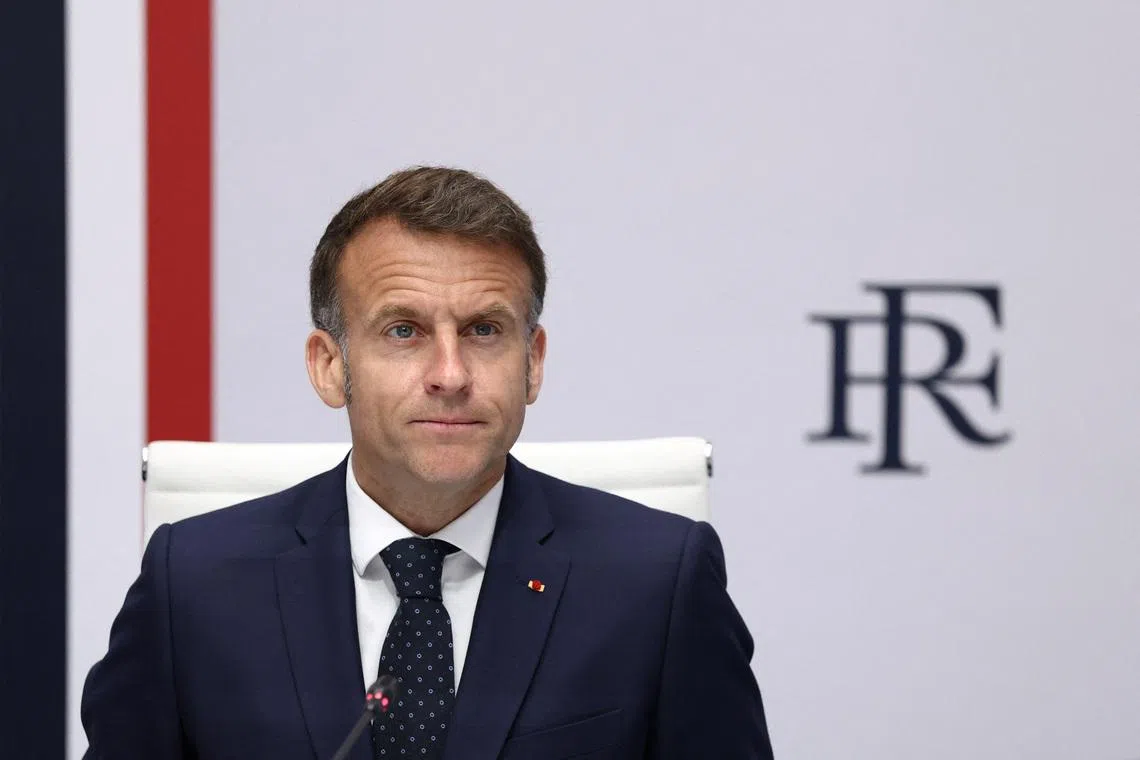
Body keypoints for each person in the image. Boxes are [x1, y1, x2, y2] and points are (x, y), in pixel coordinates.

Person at [81, 167, 775, 759]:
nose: (450, 373)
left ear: (532, 363)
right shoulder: (192, 584)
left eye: (484, 330)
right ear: (329, 367)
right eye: (404, 331)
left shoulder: (659, 581)